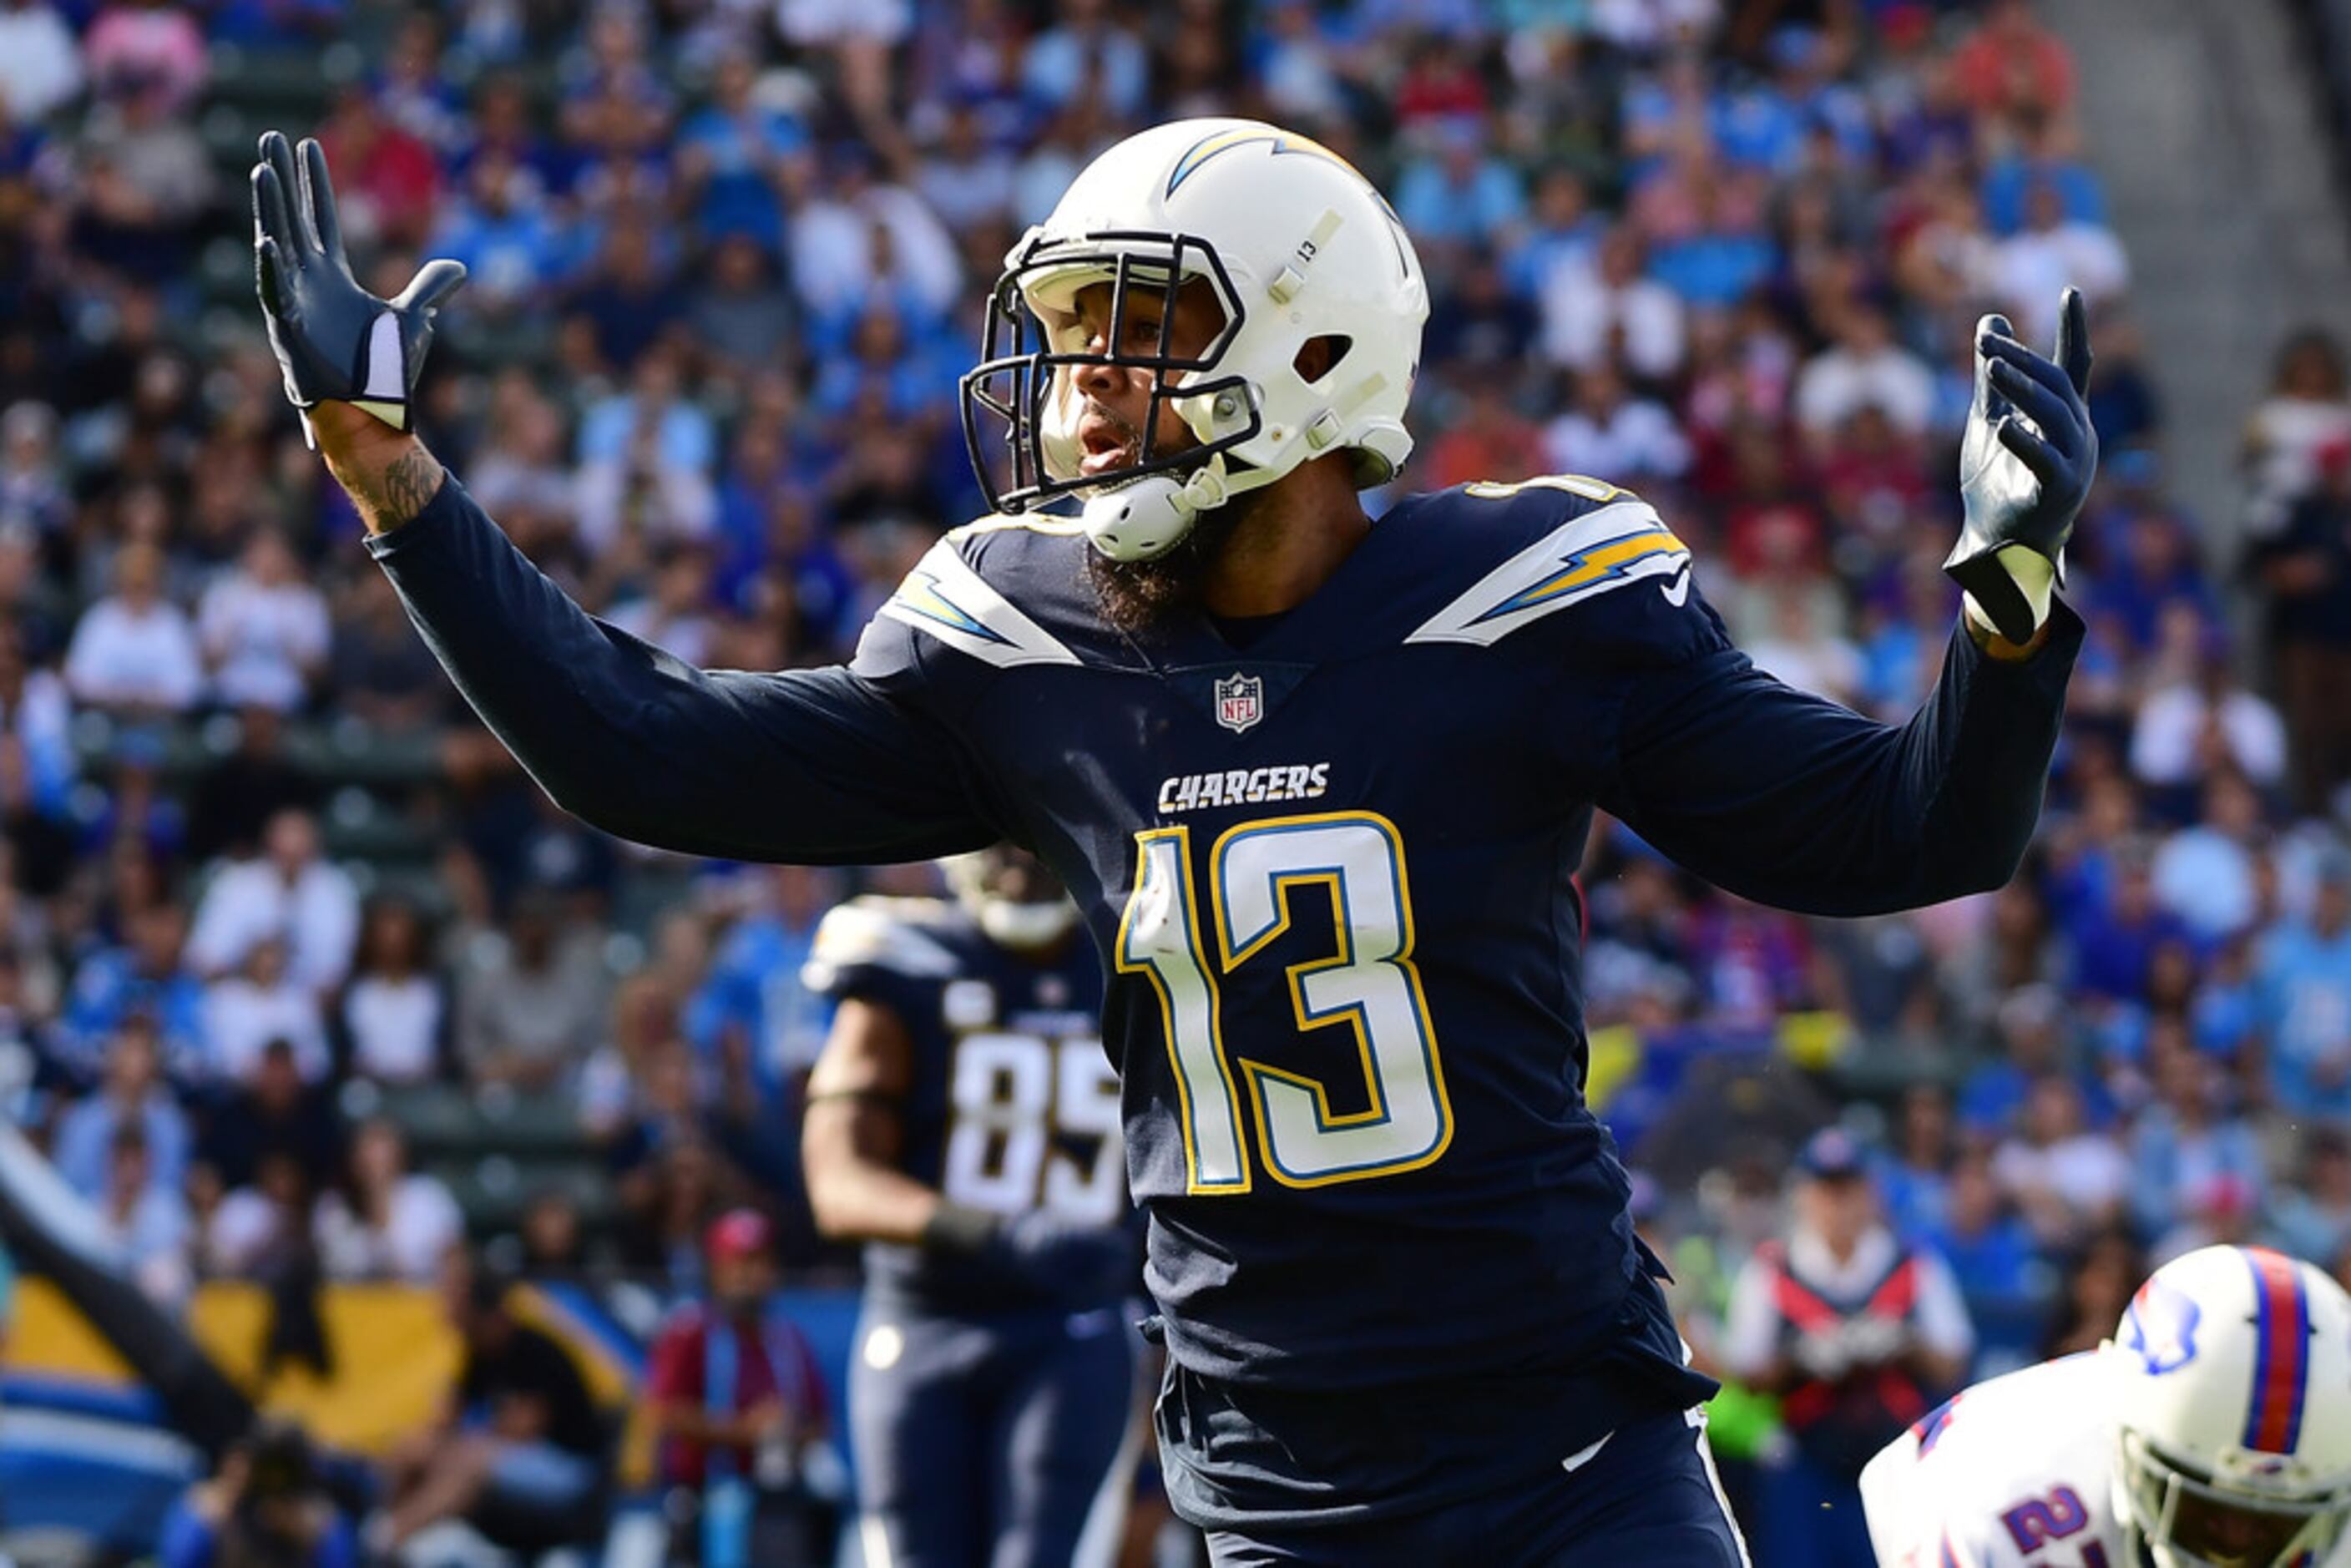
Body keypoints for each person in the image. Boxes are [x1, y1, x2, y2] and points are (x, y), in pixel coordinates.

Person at [253, 117, 2097, 1565]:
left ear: (1303, 344)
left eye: (1135, 340)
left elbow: (1909, 829)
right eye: (1065, 343)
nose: (1077, 393)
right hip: (1273, 1476)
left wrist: (2008, 605)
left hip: (1563, 1453)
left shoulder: (1527, 601)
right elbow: (638, 753)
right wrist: (389, 476)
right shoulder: (1024, 643)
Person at [800, 847, 1135, 1567]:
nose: (1022, 860)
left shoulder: (1134, 954)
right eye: (1000, 838)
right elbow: (838, 1181)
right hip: (925, 1321)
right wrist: (998, 1234)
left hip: (1070, 1328)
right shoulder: (907, 957)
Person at [1861, 1245, 2351, 1568]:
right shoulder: (2005, 1501)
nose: (2234, 1542)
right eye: (2203, 1510)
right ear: (2129, 1444)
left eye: (2274, 1521)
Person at [1721, 1129, 1974, 1568]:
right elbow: (1746, 1372)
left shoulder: (1914, 1262)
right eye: (1825, 1191)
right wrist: (1801, 1358)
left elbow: (1953, 1362)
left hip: (1895, 1457)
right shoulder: (1771, 1270)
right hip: (1806, 1463)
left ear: (1870, 1194)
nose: (1838, 1205)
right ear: (1804, 1196)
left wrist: (1902, 1342)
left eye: (1848, 1190)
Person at [373, 1253, 605, 1551]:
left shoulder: (534, 1349)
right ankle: (387, 1532)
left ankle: (386, 1539)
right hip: (505, 1455)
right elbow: (446, 1418)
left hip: (569, 1467)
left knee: (471, 1462)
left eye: (456, 1299)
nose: (446, 1308)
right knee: (415, 1448)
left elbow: (523, 1428)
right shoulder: (476, 1354)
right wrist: (426, 1444)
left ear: (481, 1310)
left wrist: (456, 1446)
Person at [645, 1209, 832, 1568]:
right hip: (701, 1501)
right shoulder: (690, 1332)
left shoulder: (788, 1338)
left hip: (775, 1503)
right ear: (716, 1269)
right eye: (738, 1262)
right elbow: (666, 1413)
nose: (748, 1275)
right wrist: (742, 1430)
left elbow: (820, 1421)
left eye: (759, 1262)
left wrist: (785, 1430)